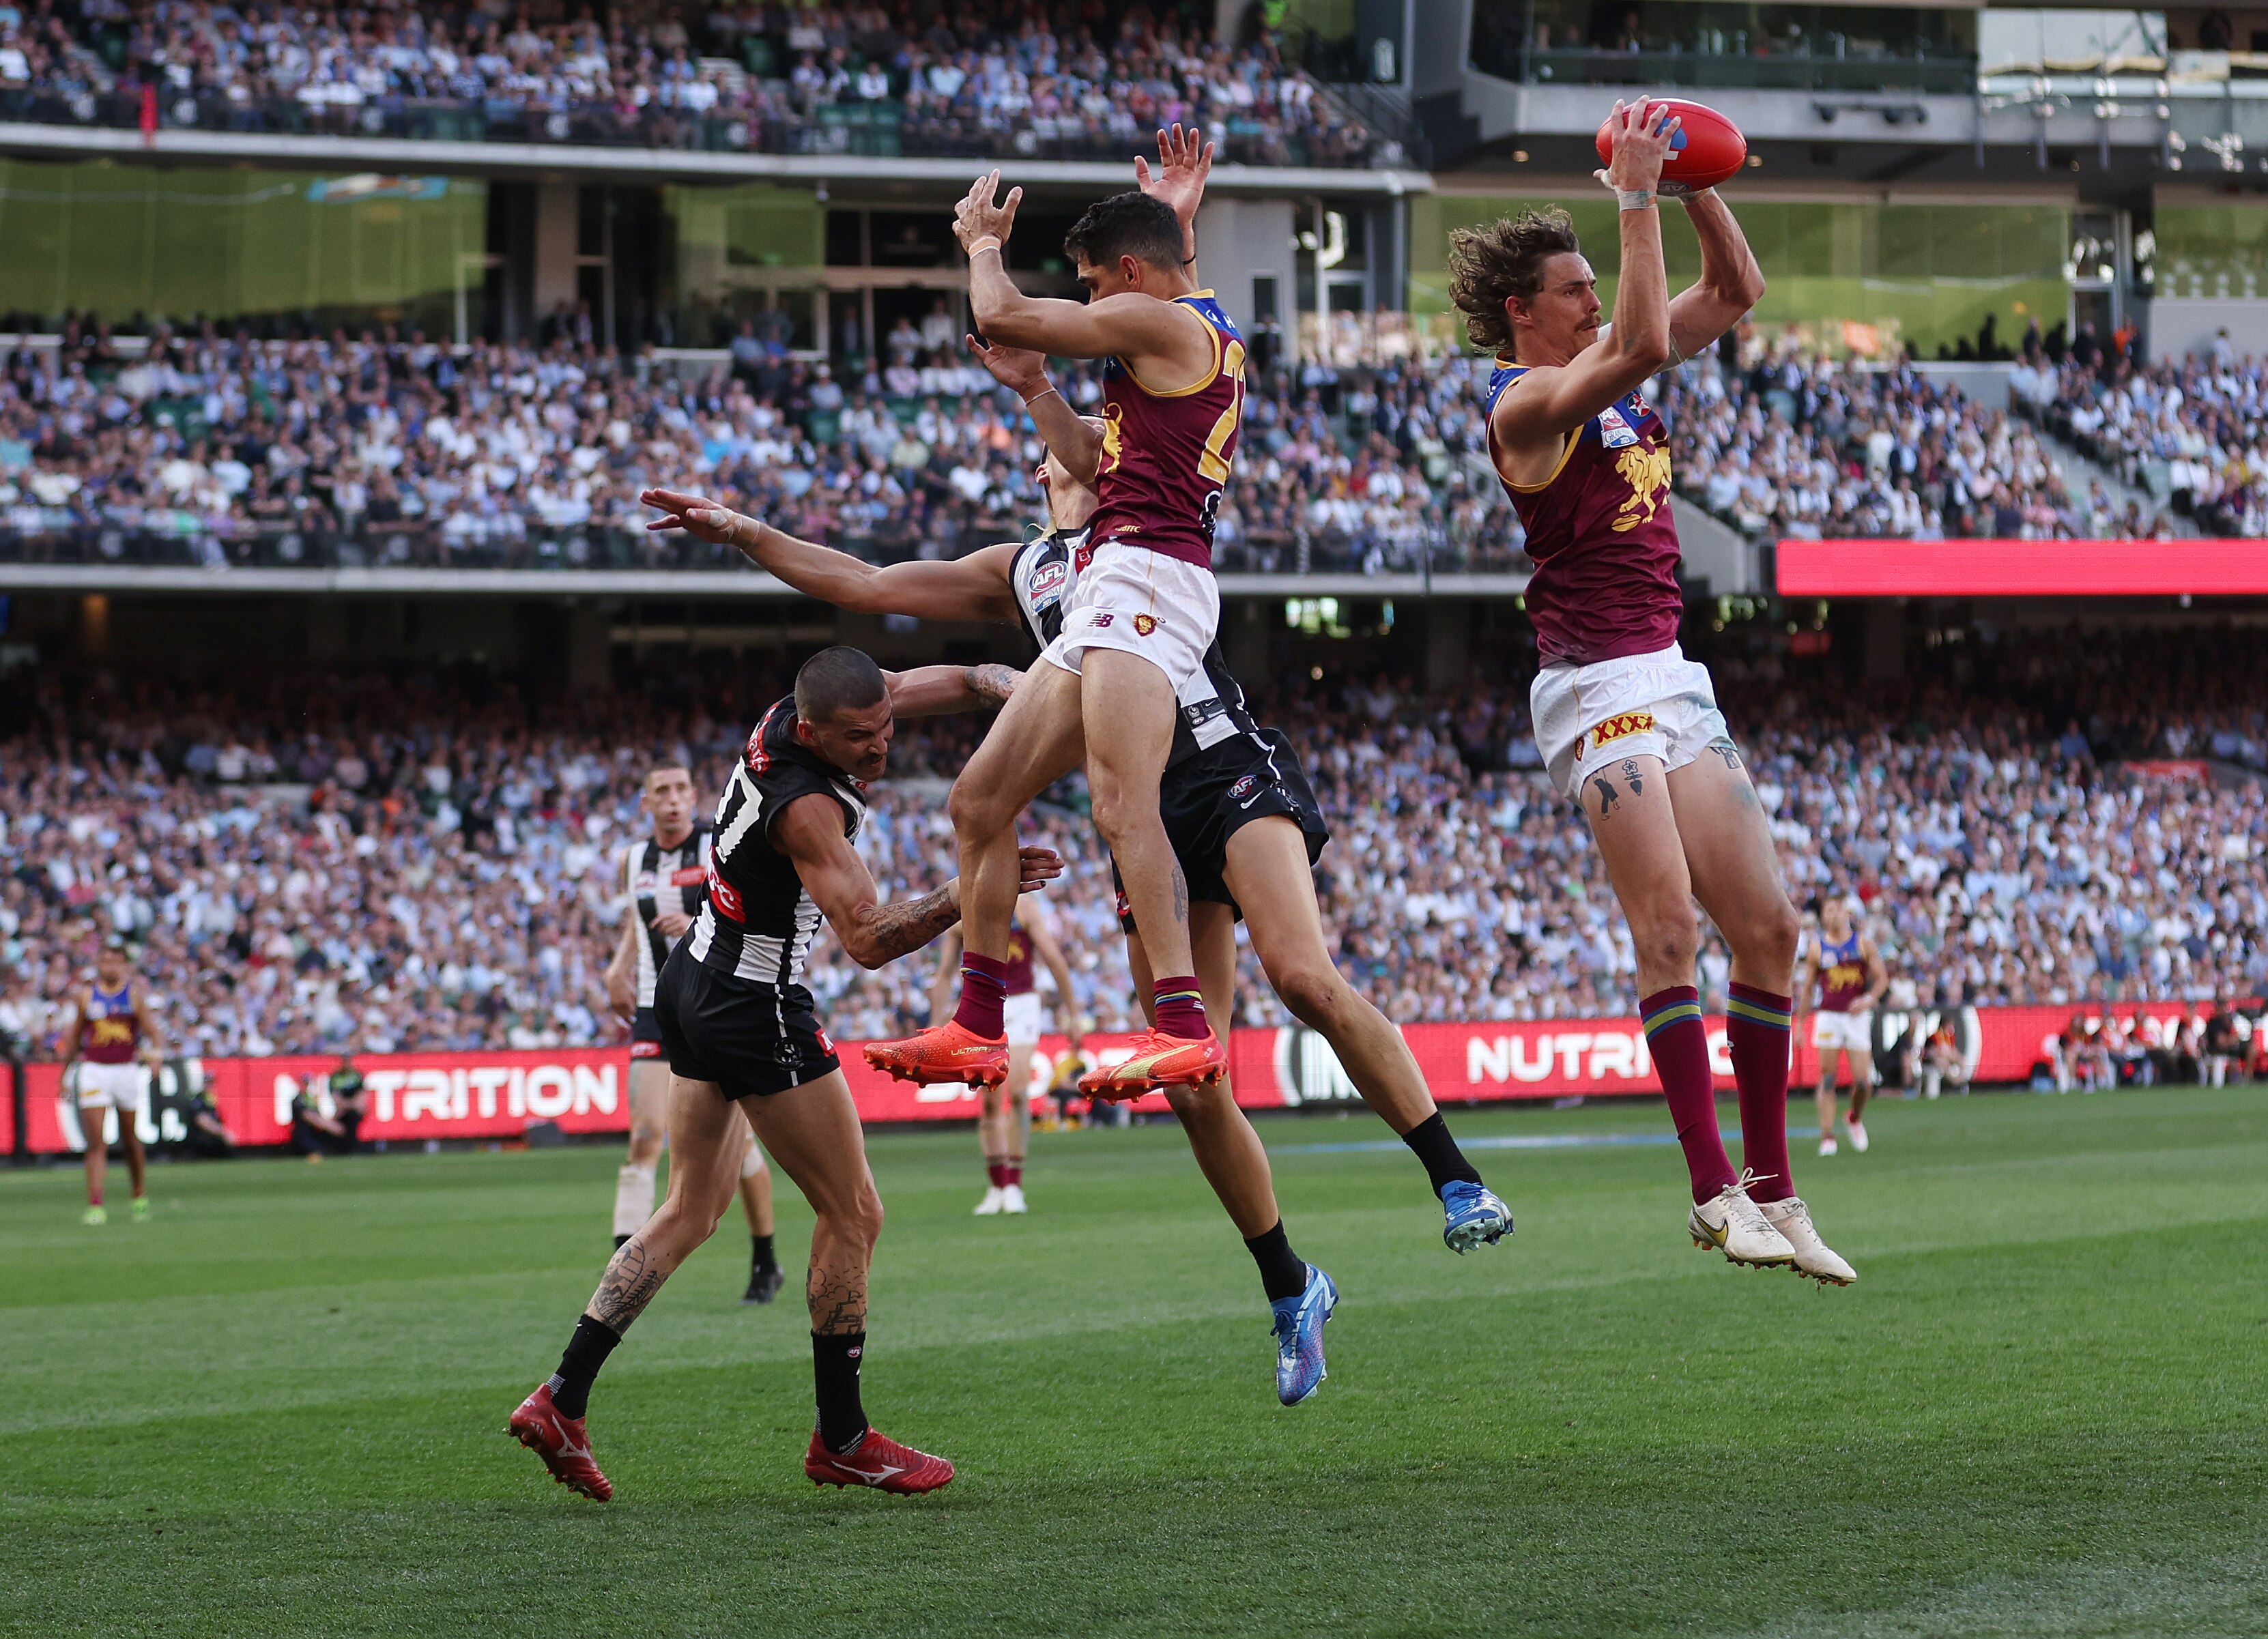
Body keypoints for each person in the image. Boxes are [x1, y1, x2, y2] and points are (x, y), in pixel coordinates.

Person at [1458, 98, 1853, 1286]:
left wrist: (1689, 186)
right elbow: (1630, 341)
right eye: (1569, 288)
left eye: (1594, 282)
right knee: (1668, 928)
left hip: (1670, 674)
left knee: (1771, 928)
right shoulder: (1522, 406)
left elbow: (1735, 290)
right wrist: (1631, 200)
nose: (1591, 300)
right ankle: (1708, 1189)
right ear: (1521, 312)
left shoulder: (1614, 378)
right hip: (1592, 687)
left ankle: (1776, 1190)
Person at [508, 647, 1057, 1500]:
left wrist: (1019, 684)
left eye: (881, 727)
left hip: (692, 978)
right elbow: (868, 938)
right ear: (813, 731)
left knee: (691, 1206)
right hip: (753, 999)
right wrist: (969, 888)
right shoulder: (804, 809)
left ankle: (560, 1396)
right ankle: (841, 1435)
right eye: (858, 737)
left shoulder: (802, 716)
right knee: (854, 1210)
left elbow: (928, 684)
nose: (879, 748)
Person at [866, 138, 1252, 1102]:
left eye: (1088, 284)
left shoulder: (1151, 322)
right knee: (977, 800)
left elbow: (996, 310)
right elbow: (1091, 457)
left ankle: (1180, 1023)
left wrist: (979, 243)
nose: (1084, 304)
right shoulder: (1179, 324)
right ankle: (978, 1023)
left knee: (1121, 805)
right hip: (1122, 576)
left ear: (1125, 276)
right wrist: (1037, 386)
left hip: (1147, 576)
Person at [602, 761, 784, 1305]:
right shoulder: (634, 858)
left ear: (694, 795)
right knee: (643, 1137)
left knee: (743, 1145)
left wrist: (700, 922)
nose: (674, 799)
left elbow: (751, 909)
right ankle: (623, 1270)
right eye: (662, 791)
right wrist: (618, 965)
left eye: (681, 789)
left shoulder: (718, 843)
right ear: (646, 802)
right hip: (656, 1005)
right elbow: (638, 922)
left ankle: (765, 1258)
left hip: (715, 1001)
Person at [928, 896, 1078, 1215]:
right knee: (990, 1100)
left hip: (1022, 1002)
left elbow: (1054, 960)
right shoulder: (961, 914)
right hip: (984, 1005)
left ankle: (1013, 1184)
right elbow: (944, 973)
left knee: (1020, 1091)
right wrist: (933, 1023)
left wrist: (1073, 1014)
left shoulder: (1022, 907)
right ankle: (997, 1184)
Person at [61, 936, 158, 1224]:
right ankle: (95, 1203)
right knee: (96, 1142)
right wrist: (64, 1074)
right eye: (105, 961)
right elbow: (75, 1037)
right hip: (95, 1070)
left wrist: (155, 1057)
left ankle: (138, 1195)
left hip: (125, 1071)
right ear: (98, 964)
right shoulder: (87, 996)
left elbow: (153, 1032)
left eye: (115, 961)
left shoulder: (134, 996)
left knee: (130, 1139)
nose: (110, 966)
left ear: (124, 965)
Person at [1792, 895, 1887, 1157]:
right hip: (1829, 1016)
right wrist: (1800, 1024)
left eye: (1836, 910)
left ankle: (1854, 1118)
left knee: (1863, 1082)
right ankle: (1827, 1135)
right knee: (1828, 1077)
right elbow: (1809, 989)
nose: (1832, 915)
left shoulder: (1862, 944)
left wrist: (1868, 999)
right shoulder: (1817, 948)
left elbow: (1882, 980)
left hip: (1855, 1017)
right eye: (1828, 911)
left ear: (1846, 913)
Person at [290, 1054, 368, 1158]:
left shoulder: (313, 1098)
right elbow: (309, 1116)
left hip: (315, 1132)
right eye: (305, 1083)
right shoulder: (299, 1099)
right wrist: (330, 1125)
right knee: (322, 1150)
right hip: (303, 1136)